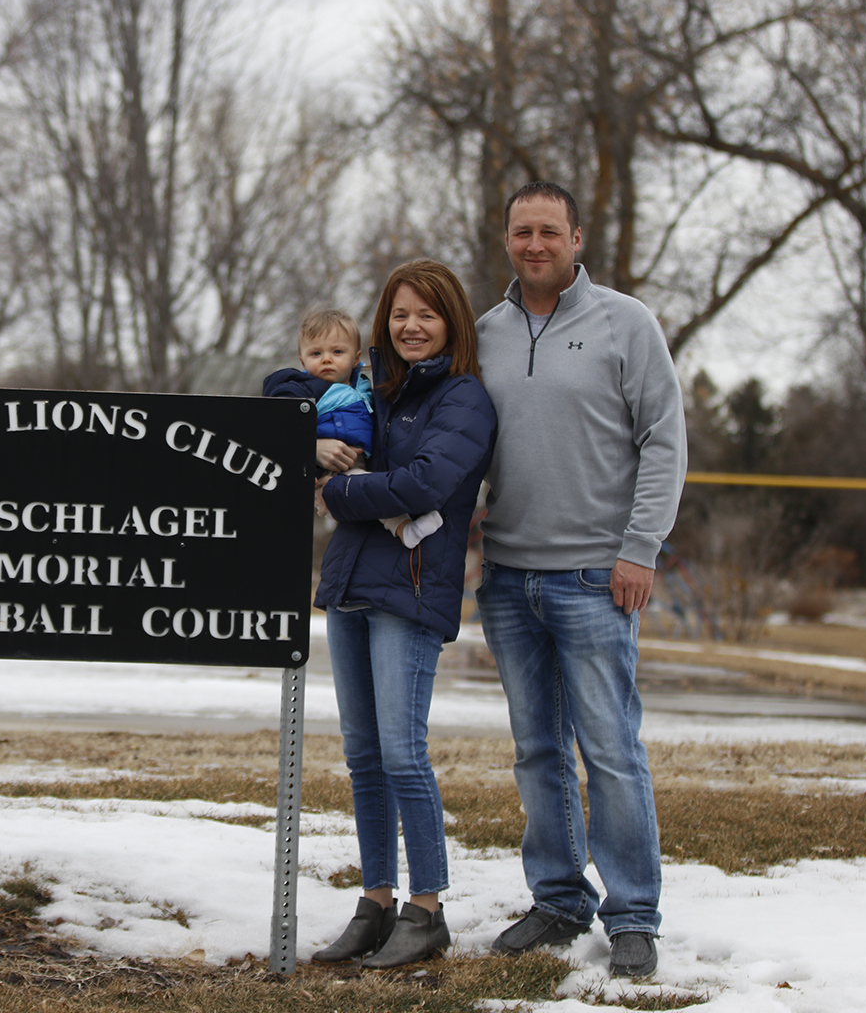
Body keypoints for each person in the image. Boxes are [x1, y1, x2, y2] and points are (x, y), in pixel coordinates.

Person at [474, 181, 686, 979]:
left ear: (576, 237)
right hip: (508, 577)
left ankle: (633, 916)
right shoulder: (484, 334)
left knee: (611, 751)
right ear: (506, 239)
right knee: (537, 751)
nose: (535, 244)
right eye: (522, 231)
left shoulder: (625, 322)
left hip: (598, 576)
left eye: (549, 231)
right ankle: (559, 900)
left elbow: (664, 439)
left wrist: (641, 549)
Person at [309, 261, 496, 968]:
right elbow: (290, 400)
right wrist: (311, 447)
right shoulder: (369, 389)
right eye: (398, 314)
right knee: (363, 758)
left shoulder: (464, 399)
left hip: (411, 592)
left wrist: (339, 490)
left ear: (452, 322)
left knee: (401, 754)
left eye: (426, 314)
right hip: (351, 584)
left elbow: (424, 485)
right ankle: (376, 901)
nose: (411, 326)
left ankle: (426, 909)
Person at [263, 309, 441, 548]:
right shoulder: (306, 388)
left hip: (358, 460)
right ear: (302, 361)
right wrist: (311, 447)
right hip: (328, 469)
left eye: (337, 352)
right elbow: (278, 419)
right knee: (367, 488)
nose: (326, 359)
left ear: (356, 358)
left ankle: (408, 519)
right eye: (316, 353)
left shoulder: (364, 385)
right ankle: (405, 528)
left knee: (373, 485)